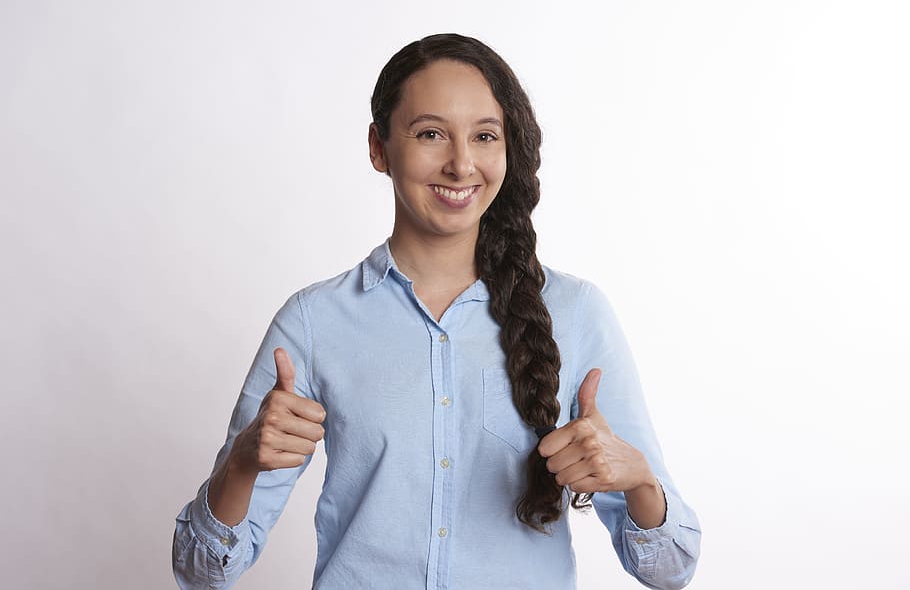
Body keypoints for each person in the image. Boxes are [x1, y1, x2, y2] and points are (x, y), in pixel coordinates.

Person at [172, 33, 701, 590]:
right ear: (378, 147)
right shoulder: (313, 322)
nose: (461, 163)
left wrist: (638, 480)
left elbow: (669, 569)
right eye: (430, 134)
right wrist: (241, 465)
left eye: (484, 136)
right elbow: (200, 572)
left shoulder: (577, 313)